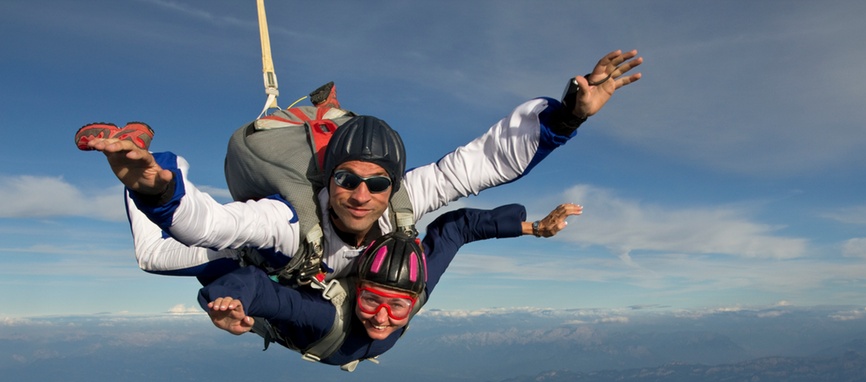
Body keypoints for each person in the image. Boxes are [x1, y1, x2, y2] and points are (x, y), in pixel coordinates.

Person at [81, 49, 641, 284]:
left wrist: (566, 118)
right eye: (347, 179)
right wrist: (158, 188)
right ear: (328, 180)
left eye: (377, 183)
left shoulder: (402, 200)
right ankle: (162, 161)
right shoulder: (286, 221)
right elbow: (218, 227)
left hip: (309, 270)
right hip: (251, 250)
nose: (361, 194)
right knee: (153, 255)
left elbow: (480, 164)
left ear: (392, 184)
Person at [200, 202, 582, 371]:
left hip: (326, 335)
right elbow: (258, 288)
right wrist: (229, 300)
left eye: (398, 307)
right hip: (286, 315)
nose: (381, 317)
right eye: (370, 301)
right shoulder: (322, 316)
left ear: (414, 298)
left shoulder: (416, 280)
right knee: (172, 256)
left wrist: (532, 228)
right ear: (358, 288)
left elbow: (456, 228)